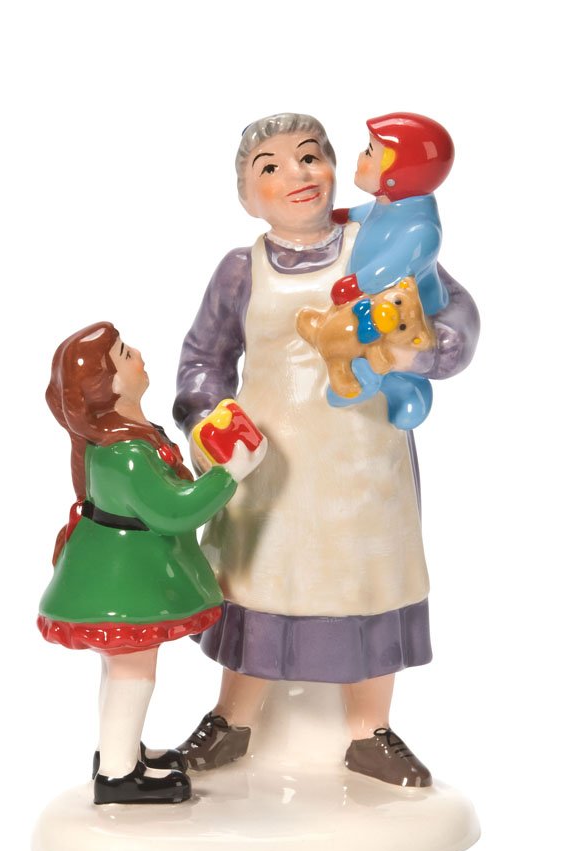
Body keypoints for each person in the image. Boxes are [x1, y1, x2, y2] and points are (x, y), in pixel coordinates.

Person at [172, 113, 480, 786]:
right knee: (258, 577)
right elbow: (203, 360)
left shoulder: (385, 245)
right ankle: (233, 718)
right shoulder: (240, 271)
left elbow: (453, 316)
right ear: (247, 196)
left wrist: (423, 348)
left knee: (367, 575)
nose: (297, 175)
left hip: (361, 458)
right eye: (271, 167)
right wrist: (207, 421)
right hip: (269, 464)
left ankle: (370, 729)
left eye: (310, 156)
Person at [38, 322, 266, 804]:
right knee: (132, 672)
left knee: (122, 669)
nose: (138, 354)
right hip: (124, 585)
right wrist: (229, 474)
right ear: (108, 386)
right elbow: (174, 511)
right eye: (124, 354)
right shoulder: (126, 454)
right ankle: (119, 776)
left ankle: (120, 754)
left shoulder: (122, 441)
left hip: (118, 574)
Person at [325, 112, 456, 429]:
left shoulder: (422, 229)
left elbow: (394, 266)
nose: (361, 157)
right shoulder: (390, 204)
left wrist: (357, 283)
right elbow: (372, 212)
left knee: (392, 352)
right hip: (373, 301)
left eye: (370, 152)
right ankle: (361, 378)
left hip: (408, 310)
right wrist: (350, 214)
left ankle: (410, 391)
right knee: (366, 337)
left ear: (397, 175)